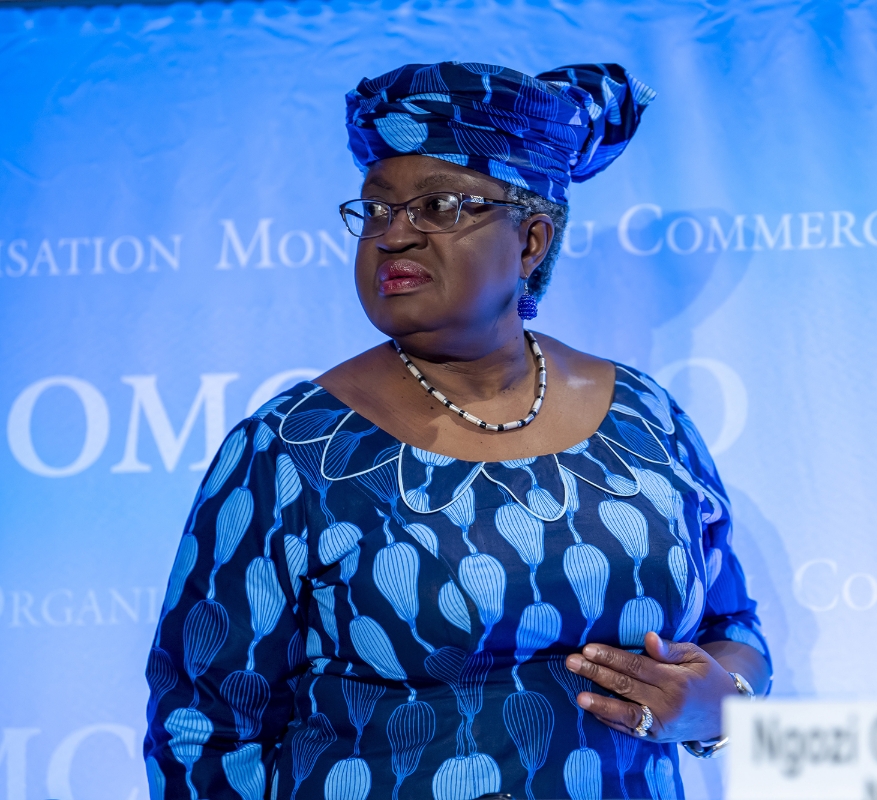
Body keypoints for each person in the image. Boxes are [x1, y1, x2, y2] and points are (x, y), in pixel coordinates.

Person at [144, 61, 770, 800]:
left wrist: (720, 701)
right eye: (375, 212)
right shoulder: (293, 448)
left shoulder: (646, 417)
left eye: (437, 206)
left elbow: (736, 626)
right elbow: (202, 732)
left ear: (532, 240)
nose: (394, 236)